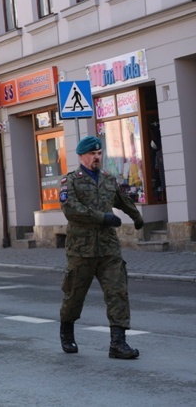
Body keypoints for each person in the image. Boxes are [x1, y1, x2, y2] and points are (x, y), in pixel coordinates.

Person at [58, 136, 144, 359]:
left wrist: (136, 217)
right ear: (81, 156)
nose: (97, 157)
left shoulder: (107, 179)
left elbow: (122, 199)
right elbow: (71, 210)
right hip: (81, 249)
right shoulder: (71, 181)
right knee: (74, 294)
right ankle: (67, 331)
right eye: (92, 154)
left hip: (108, 248)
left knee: (118, 292)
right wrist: (103, 218)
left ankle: (118, 343)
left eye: (99, 154)